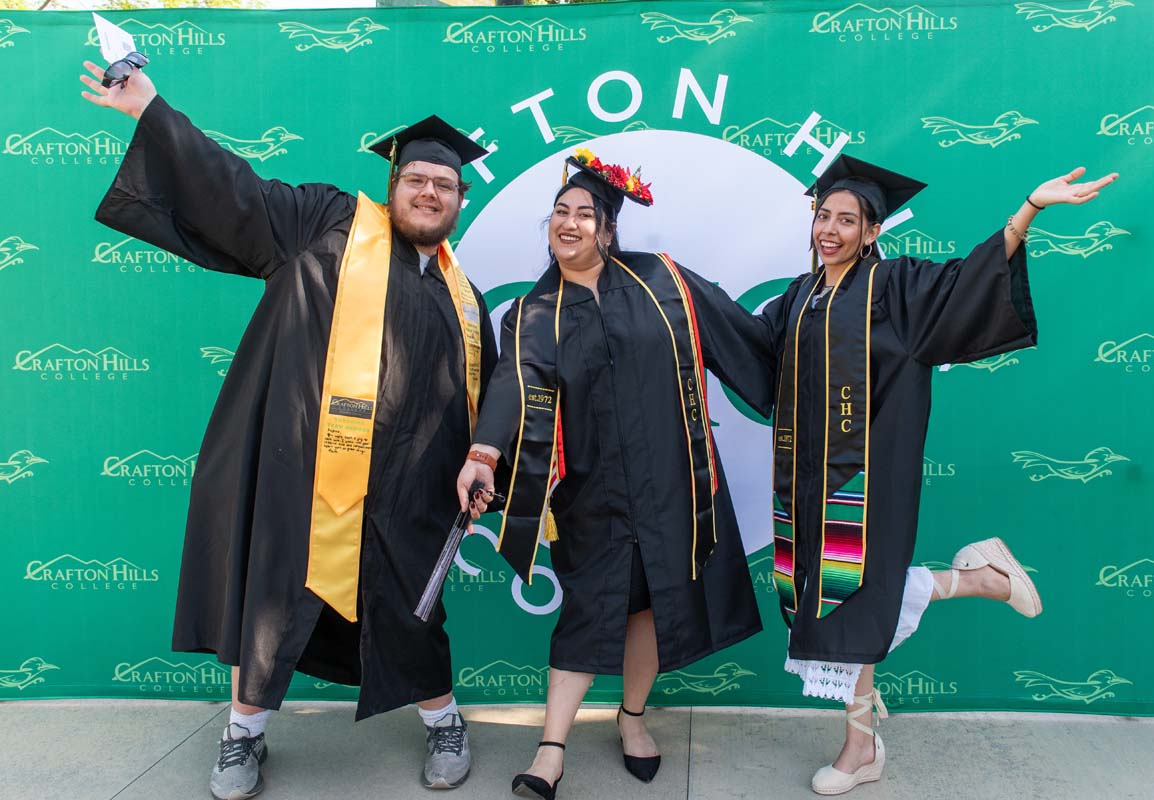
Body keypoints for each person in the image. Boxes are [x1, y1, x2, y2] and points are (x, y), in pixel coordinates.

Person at [80, 60, 498, 798]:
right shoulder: (327, 222)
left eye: (444, 185)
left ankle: (444, 722)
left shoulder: (465, 299)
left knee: (414, 609)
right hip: (303, 471)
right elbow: (236, 190)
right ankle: (242, 735)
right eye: (416, 180)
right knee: (273, 601)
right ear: (392, 185)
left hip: (412, 488)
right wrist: (151, 112)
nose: (429, 193)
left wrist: (484, 461)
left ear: (460, 200)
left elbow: (489, 395)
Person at [752, 155, 1117, 795]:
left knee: (857, 600)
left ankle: (860, 748)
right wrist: (681, 302)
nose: (830, 230)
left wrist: (1028, 210)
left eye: (847, 220)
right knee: (835, 597)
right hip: (806, 481)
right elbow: (750, 346)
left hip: (870, 476)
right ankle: (981, 579)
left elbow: (968, 282)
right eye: (824, 216)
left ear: (872, 231)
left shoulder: (895, 285)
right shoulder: (798, 298)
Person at [455, 150, 775, 800]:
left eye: (585, 213)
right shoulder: (532, 314)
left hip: (673, 483)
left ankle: (632, 718)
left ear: (608, 227)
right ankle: (550, 751)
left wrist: (822, 339)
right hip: (589, 491)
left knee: (653, 603)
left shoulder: (665, 280)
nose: (569, 223)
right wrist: (483, 454)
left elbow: (741, 334)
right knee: (587, 611)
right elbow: (511, 388)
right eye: (560, 212)